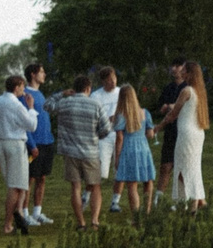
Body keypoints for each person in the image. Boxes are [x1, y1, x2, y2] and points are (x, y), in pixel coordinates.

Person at [48, 74, 112, 229]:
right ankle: (95, 221)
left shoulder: (65, 103)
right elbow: (106, 128)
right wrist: (96, 136)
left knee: (75, 188)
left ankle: (81, 222)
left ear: (74, 89)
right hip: (91, 152)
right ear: (88, 88)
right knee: (95, 186)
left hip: (70, 152)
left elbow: (47, 105)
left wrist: (62, 94)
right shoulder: (96, 104)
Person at [0, 74, 38, 235]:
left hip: (0, 144)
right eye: (22, 86)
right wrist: (31, 108)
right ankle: (8, 224)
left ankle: (19, 213)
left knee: (20, 183)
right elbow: (31, 125)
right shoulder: (16, 104)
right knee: (15, 186)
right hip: (15, 144)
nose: (23, 89)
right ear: (16, 87)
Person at [164, 60, 211, 208]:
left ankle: (191, 204)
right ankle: (198, 200)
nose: (181, 72)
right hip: (198, 133)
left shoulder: (187, 91)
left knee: (184, 170)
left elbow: (174, 114)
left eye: (184, 70)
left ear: (189, 74)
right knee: (193, 169)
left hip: (186, 134)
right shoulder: (200, 92)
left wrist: (158, 127)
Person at [112, 81, 158, 214]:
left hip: (128, 148)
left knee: (132, 184)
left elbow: (120, 137)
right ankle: (147, 210)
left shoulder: (121, 115)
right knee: (148, 180)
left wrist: (117, 157)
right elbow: (150, 134)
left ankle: (136, 214)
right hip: (143, 148)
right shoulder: (145, 113)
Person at [22, 62, 56, 226]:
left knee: (42, 178)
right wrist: (32, 144)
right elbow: (25, 122)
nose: (44, 75)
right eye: (41, 72)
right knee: (29, 179)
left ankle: (37, 212)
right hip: (34, 144)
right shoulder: (25, 95)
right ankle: (24, 213)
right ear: (33, 74)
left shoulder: (40, 94)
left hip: (47, 142)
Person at [91, 66, 122, 208]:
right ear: (103, 81)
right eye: (109, 80)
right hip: (104, 136)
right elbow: (93, 118)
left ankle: (115, 201)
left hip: (120, 134)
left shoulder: (121, 92)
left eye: (114, 78)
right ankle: (87, 195)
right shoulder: (96, 96)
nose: (113, 82)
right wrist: (106, 119)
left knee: (120, 169)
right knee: (101, 172)